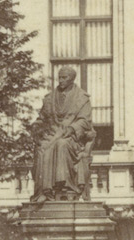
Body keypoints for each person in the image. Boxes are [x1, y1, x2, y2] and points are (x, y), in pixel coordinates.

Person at [32, 67, 96, 200]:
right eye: (59, 77)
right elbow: (42, 118)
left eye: (64, 78)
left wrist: (72, 129)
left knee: (62, 144)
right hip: (53, 134)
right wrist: (36, 127)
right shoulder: (50, 98)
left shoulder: (82, 98)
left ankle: (64, 186)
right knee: (42, 148)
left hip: (72, 138)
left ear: (72, 79)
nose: (60, 80)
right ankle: (44, 191)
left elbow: (84, 121)